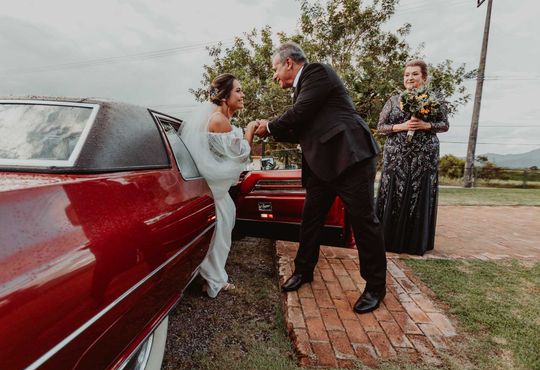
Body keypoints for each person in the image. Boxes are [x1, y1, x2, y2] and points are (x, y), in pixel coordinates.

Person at [255, 42, 387, 314]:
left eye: (275, 69)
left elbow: (298, 115)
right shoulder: (302, 91)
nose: (274, 75)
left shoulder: (317, 73)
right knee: (311, 218)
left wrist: (268, 127)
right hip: (321, 166)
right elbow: (297, 127)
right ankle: (304, 271)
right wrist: (269, 128)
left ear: (289, 63)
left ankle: (375, 286)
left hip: (350, 158)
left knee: (364, 222)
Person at [180, 73, 258, 298]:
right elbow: (239, 155)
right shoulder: (218, 120)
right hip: (213, 188)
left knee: (222, 230)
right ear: (224, 97)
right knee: (220, 233)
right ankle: (213, 279)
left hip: (218, 189)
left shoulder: (222, 119)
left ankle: (210, 276)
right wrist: (250, 130)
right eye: (238, 91)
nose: (243, 95)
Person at [375, 59, 449, 255]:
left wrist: (426, 126)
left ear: (423, 77)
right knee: (394, 193)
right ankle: (387, 240)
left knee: (418, 192)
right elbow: (381, 127)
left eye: (415, 74)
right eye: (407, 75)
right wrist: (402, 126)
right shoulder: (393, 100)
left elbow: (445, 124)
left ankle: (414, 242)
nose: (410, 78)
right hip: (396, 156)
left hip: (424, 156)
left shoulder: (435, 98)